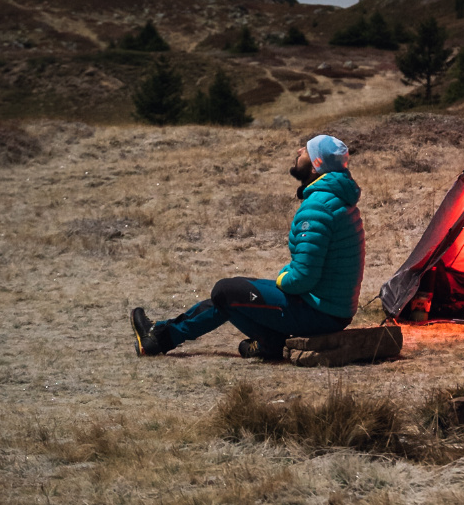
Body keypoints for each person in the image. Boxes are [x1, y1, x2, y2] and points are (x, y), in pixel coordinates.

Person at [130, 134, 365, 362]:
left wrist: (282, 278)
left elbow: (303, 277)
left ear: (316, 167)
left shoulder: (318, 207)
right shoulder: (336, 200)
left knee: (226, 291)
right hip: (330, 309)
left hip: (316, 312)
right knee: (235, 292)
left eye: (306, 149)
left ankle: (268, 342)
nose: (299, 151)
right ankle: (160, 337)